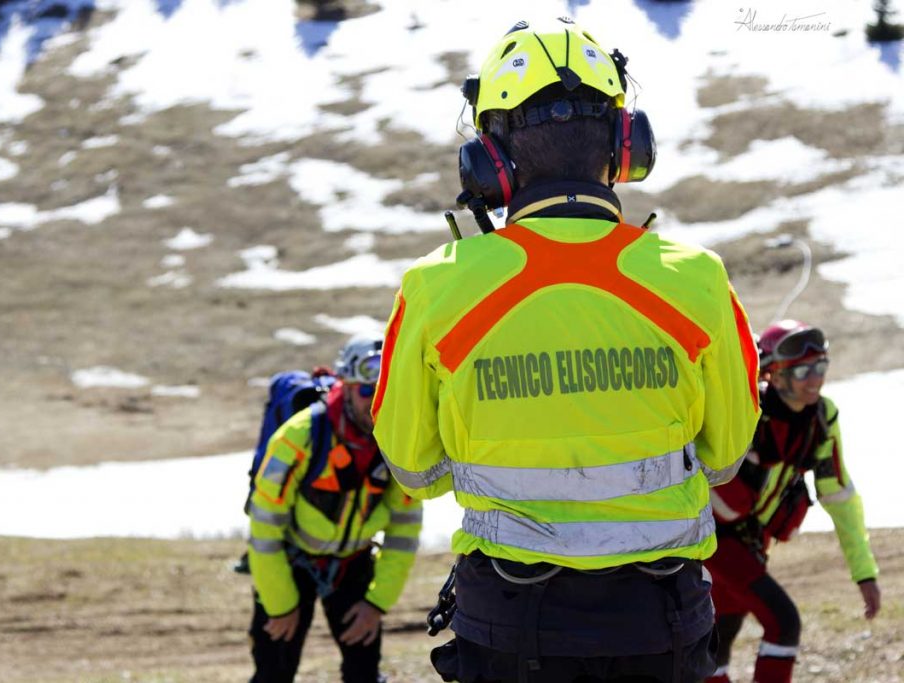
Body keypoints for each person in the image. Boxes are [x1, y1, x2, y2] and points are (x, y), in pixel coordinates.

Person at [371, 19, 761, 683]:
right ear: (626, 146)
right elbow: (725, 458)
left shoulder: (435, 287)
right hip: (660, 623)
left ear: (489, 162)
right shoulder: (697, 279)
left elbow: (414, 468)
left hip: (508, 621)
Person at [704, 320, 880, 683]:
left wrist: (864, 573)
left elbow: (839, 498)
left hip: (752, 544)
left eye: (821, 366)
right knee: (783, 622)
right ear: (773, 374)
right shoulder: (745, 412)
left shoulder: (822, 419)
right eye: (801, 370)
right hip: (715, 540)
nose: (814, 378)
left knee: (720, 635)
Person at [247, 333, 423, 683]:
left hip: (353, 566)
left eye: (386, 391)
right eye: (367, 390)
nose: (376, 402)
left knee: (364, 675)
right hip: (289, 562)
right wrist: (280, 605)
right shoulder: (299, 436)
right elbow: (264, 528)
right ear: (347, 386)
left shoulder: (398, 444)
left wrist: (376, 605)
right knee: (273, 673)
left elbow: (404, 530)